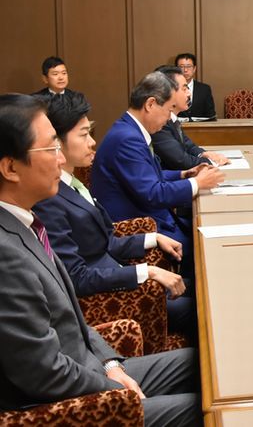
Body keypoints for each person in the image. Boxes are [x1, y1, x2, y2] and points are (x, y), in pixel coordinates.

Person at [0, 93, 200, 426]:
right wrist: (114, 389)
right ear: (10, 167)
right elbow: (42, 372)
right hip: (66, 405)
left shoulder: (25, 220)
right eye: (50, 148)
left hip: (92, 368)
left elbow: (74, 319)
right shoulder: (6, 253)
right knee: (205, 409)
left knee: (205, 363)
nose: (60, 159)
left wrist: (110, 363)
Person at [32, 92, 195, 335]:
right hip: (113, 300)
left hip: (121, 275)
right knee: (203, 308)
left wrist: (153, 238)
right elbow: (76, 277)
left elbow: (105, 241)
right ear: (57, 141)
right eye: (84, 135)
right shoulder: (49, 199)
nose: (92, 142)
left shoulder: (71, 183)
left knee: (203, 286)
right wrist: (146, 272)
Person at [91, 72, 224, 266]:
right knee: (211, 248)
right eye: (169, 109)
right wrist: (197, 183)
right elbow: (153, 193)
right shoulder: (127, 138)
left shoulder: (130, 129)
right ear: (150, 104)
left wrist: (183, 174)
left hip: (152, 218)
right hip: (138, 229)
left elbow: (149, 176)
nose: (169, 117)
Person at [152, 66, 229, 171]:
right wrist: (213, 162)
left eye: (188, 88)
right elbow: (181, 161)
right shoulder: (158, 122)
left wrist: (203, 154)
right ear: (166, 92)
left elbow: (187, 144)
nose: (189, 93)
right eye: (184, 89)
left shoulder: (172, 118)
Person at [174, 53, 216, 121]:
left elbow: (211, 115)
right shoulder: (171, 88)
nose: (185, 70)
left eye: (189, 66)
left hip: (200, 127)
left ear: (194, 69)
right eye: (181, 67)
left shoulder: (205, 89)